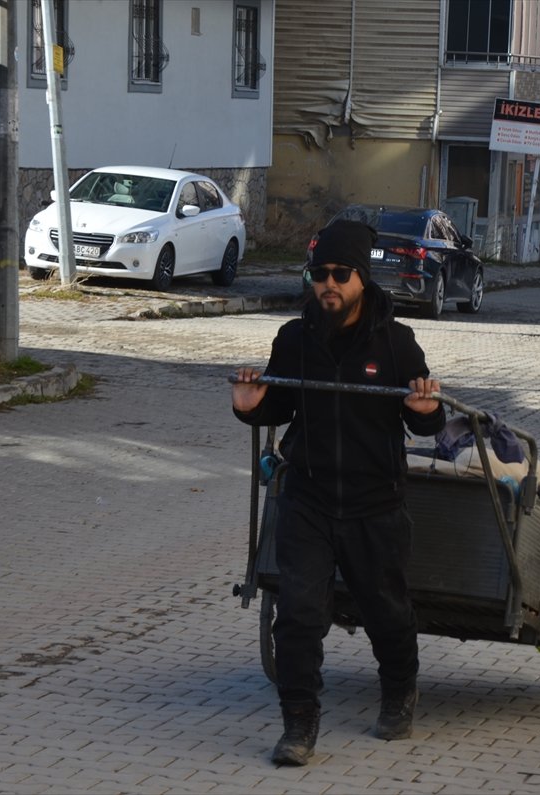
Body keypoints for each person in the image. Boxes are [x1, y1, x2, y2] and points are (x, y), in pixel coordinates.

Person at [232, 219, 446, 767]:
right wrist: (249, 404)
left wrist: (426, 410)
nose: (327, 283)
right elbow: (278, 408)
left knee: (386, 610)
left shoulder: (397, 343)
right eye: (318, 273)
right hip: (309, 497)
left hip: (377, 503)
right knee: (299, 614)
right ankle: (298, 725)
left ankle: (400, 690)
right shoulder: (294, 339)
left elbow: (425, 425)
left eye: (339, 273)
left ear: (362, 278)